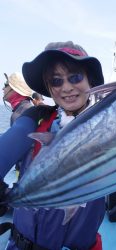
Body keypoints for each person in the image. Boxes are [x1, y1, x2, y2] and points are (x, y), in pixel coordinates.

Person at [0, 41, 105, 250]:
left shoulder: (111, 122)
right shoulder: (36, 120)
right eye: (56, 81)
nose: (66, 87)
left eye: (75, 77)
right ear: (48, 88)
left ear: (90, 80)